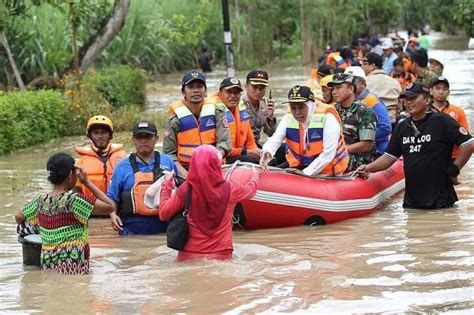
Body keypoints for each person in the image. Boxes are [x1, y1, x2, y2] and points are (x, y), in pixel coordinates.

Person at [358, 82, 474, 209]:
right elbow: (388, 157)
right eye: (405, 99)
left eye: (413, 98)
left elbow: (468, 144)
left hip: (441, 202)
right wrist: (368, 168)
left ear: (427, 99)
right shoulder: (402, 126)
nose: (408, 102)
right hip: (411, 203)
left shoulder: (441, 121)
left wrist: (454, 169)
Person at [15, 153, 115, 274]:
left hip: (49, 265)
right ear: (70, 175)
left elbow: (18, 216)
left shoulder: (40, 201)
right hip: (74, 268)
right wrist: (87, 182)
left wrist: (39, 227)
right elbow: (110, 206)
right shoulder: (75, 200)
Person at [159, 145, 259, 262]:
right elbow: (251, 190)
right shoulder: (231, 189)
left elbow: (163, 213)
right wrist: (255, 175)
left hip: (188, 258)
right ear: (218, 164)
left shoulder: (186, 189)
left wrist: (166, 184)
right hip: (222, 258)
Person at [108, 120, 178, 235]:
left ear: (156, 138)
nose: (143, 141)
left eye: (148, 137)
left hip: (164, 227)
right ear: (133, 140)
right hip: (130, 228)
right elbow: (112, 196)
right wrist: (113, 215)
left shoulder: (168, 162)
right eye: (139, 137)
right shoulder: (122, 166)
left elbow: (181, 192)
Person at [260, 85, 348, 176]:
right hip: (300, 165)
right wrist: (267, 151)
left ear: (310, 105)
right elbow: (275, 139)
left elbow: (328, 154)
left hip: (328, 169)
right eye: (293, 108)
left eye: (301, 107)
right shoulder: (288, 118)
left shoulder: (328, 118)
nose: (297, 112)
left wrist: (305, 173)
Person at [164, 71, 231, 177]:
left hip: (213, 165)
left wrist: (216, 159)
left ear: (205, 91)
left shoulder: (217, 112)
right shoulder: (174, 118)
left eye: (199, 86)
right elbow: (169, 154)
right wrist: (185, 174)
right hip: (186, 168)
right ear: (183, 92)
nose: (196, 90)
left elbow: (224, 143)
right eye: (191, 87)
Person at [329, 73, 377, 171]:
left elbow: (366, 145)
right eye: (333, 88)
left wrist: (337, 152)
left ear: (351, 89)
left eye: (338, 88)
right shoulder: (332, 110)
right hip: (334, 153)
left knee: (332, 162)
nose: (334, 92)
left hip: (359, 158)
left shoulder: (364, 111)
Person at [74, 115, 126, 199]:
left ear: (110, 135)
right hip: (93, 208)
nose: (100, 136)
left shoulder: (122, 157)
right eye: (96, 133)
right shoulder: (82, 161)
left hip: (117, 207)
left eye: (103, 132)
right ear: (90, 136)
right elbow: (76, 190)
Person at [345, 66, 392, 155]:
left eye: (351, 82)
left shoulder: (371, 100)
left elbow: (385, 127)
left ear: (362, 83)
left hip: (377, 151)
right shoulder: (350, 101)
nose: (348, 85)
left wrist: (361, 139)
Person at [216, 77, 260, 163]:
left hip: (239, 153)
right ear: (220, 94)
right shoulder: (214, 112)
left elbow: (251, 143)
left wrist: (257, 153)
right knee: (250, 160)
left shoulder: (242, 111)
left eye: (236, 93)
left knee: (270, 159)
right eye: (229, 92)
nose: (233, 96)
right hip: (224, 157)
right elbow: (218, 148)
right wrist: (246, 152)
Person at [430, 76, 469, 159]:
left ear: (448, 92)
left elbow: (467, 139)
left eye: (444, 89)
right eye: (437, 88)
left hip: (453, 157)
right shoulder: (424, 111)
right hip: (430, 156)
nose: (441, 92)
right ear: (431, 91)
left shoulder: (458, 111)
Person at [360, 52, 402, 126]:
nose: (362, 67)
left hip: (370, 124)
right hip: (392, 123)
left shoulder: (364, 83)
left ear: (372, 66)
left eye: (364, 64)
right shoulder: (395, 82)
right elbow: (399, 107)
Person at [242, 69, 277, 146]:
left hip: (256, 144)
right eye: (254, 87)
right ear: (246, 87)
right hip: (242, 146)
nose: (258, 91)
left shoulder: (265, 104)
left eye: (261, 88)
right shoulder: (239, 104)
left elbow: (271, 134)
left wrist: (270, 118)